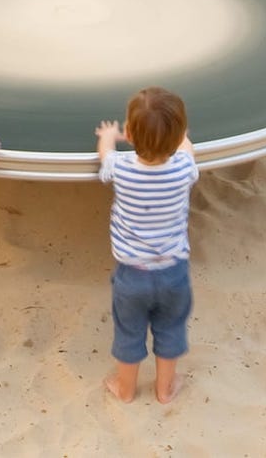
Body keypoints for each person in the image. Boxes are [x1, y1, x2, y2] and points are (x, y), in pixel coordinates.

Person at [97, 87, 198, 405]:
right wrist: (181, 136)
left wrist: (108, 137)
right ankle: (164, 390)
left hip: (132, 276)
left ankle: (126, 390)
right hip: (173, 273)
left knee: (129, 332)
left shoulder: (121, 168)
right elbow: (187, 148)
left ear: (129, 134)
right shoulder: (184, 169)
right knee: (170, 329)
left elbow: (105, 155)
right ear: (179, 137)